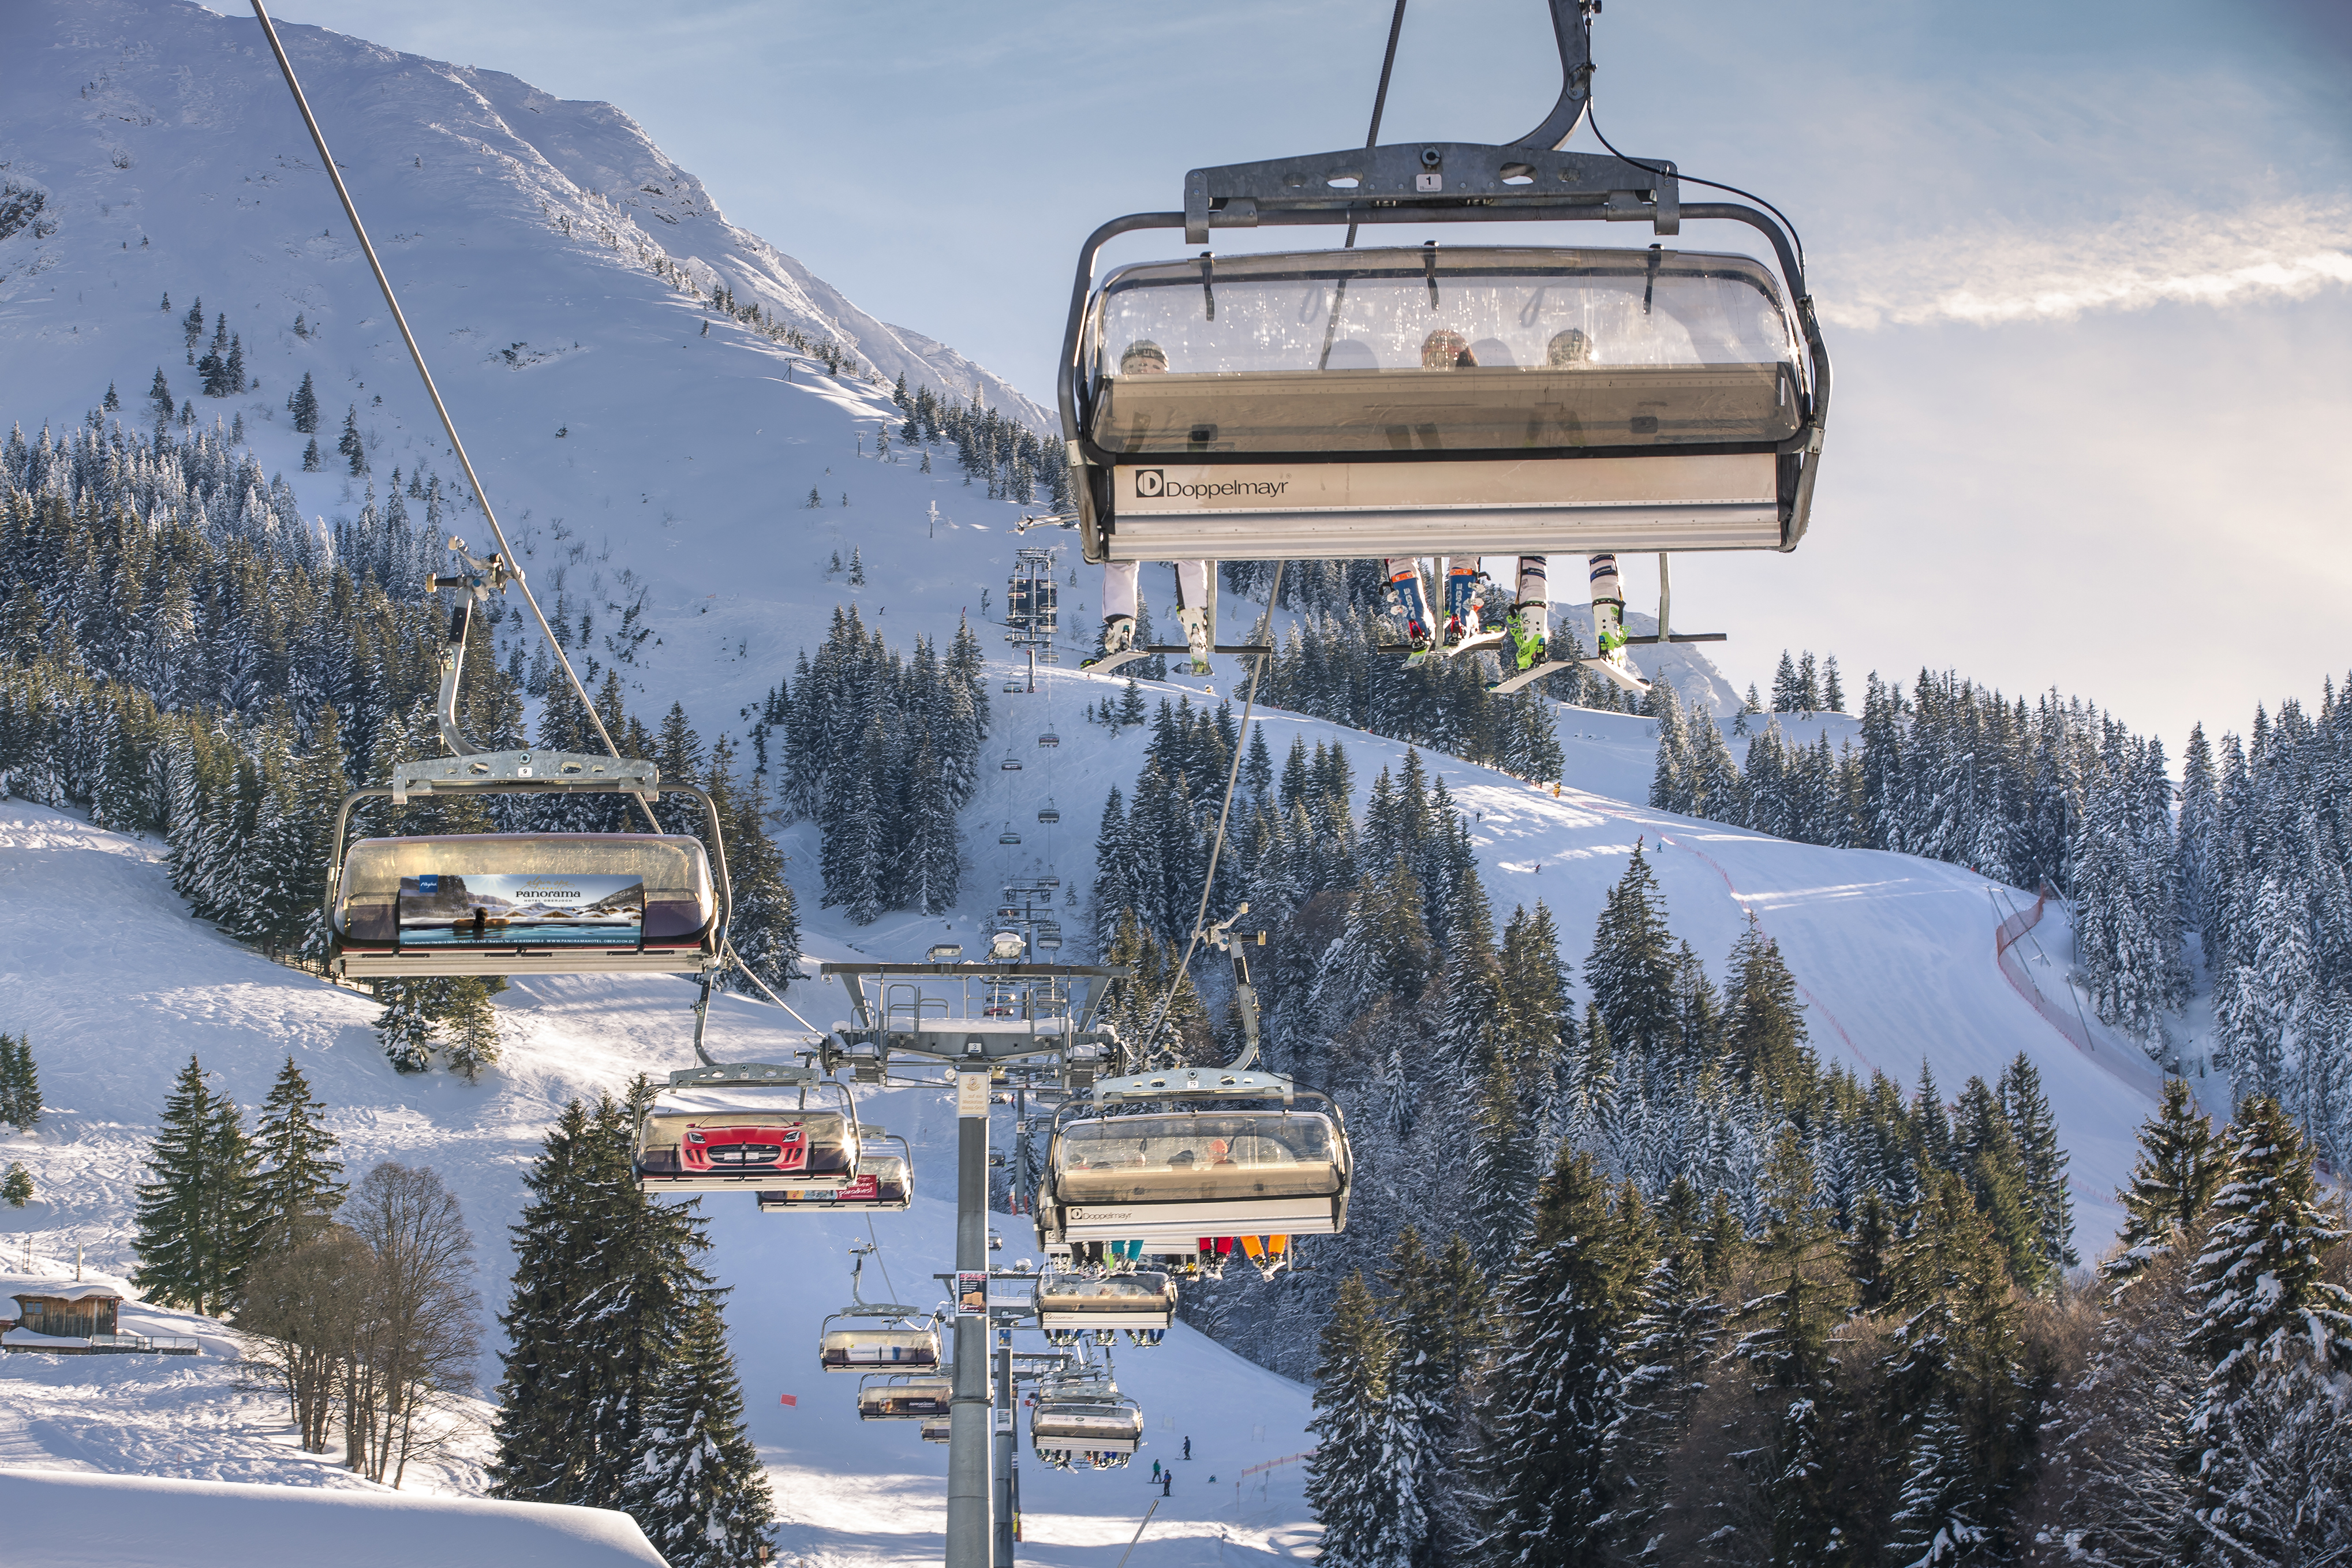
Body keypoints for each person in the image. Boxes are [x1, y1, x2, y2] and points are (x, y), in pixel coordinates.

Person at [1095, 339, 1217, 675]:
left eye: (1149, 367)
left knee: (1136, 555)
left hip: (1150, 490)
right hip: (1159, 491)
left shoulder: (1125, 404)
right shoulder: (1118, 403)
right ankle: (1136, 626)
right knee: (1130, 555)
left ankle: (1188, 621)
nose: (1143, 373)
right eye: (1136, 368)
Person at [1546, 328, 1635, 680]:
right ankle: (1610, 634)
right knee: (1602, 547)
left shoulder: (1541, 398)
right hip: (1592, 488)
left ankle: (1532, 630)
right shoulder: (1603, 399)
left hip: (1542, 489)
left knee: (1530, 547)